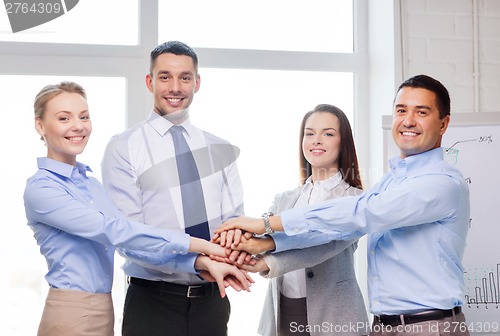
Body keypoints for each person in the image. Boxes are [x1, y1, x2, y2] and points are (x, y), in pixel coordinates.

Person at [216, 74, 471, 335]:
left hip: (426, 325)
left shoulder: (441, 183)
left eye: (422, 112)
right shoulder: (390, 182)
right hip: (385, 325)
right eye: (401, 110)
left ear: (443, 123)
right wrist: (257, 243)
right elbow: (331, 230)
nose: (408, 120)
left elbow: (354, 218)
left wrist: (266, 229)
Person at [25, 81, 251, 336]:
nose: (78, 125)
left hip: (102, 307)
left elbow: (133, 241)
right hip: (70, 311)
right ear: (40, 125)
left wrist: (199, 262)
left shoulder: (90, 184)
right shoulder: (42, 189)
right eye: (64, 118)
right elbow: (117, 231)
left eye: (84, 116)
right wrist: (204, 246)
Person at [101, 41, 246, 336]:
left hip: (213, 302)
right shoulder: (124, 147)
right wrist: (198, 260)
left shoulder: (219, 149)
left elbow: (234, 223)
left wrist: (243, 247)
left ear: (197, 82)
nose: (175, 87)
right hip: (153, 304)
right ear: (149, 81)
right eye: (165, 77)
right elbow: (129, 238)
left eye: (185, 77)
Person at [219, 104, 369, 335]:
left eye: (327, 133)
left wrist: (266, 260)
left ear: (344, 142)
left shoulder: (356, 200)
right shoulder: (284, 199)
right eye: (309, 133)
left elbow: (321, 244)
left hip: (336, 316)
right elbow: (258, 237)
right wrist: (235, 238)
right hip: (283, 313)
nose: (316, 140)